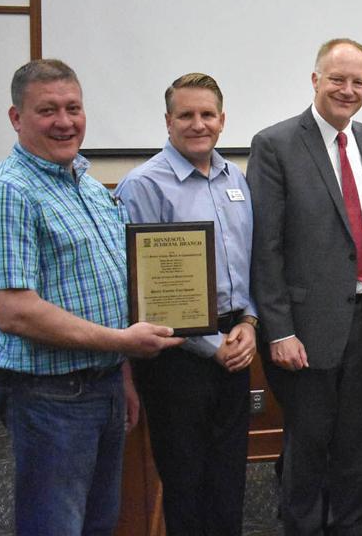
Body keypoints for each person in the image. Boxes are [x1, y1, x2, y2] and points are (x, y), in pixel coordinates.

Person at [0, 59, 183, 535]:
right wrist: (122, 344)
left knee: (98, 522)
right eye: (47, 110)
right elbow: (15, 312)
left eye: (73, 108)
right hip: (49, 397)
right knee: (55, 525)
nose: (65, 121)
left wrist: (121, 372)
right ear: (16, 118)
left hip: (100, 384)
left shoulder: (85, 183)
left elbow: (110, 291)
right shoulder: (5, 192)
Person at [248, 38, 362, 535]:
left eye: (357, 82)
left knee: (358, 447)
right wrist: (279, 330)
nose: (347, 90)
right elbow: (265, 248)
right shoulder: (276, 144)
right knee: (307, 450)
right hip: (305, 333)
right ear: (315, 80)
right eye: (337, 79)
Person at [115, 73, 258, 535]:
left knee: (229, 475)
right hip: (178, 358)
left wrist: (251, 322)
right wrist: (210, 344)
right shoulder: (143, 186)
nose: (198, 124)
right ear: (168, 121)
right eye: (186, 115)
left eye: (207, 114)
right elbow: (144, 292)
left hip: (236, 346)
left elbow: (248, 261)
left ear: (222, 120)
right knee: (186, 482)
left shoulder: (235, 177)